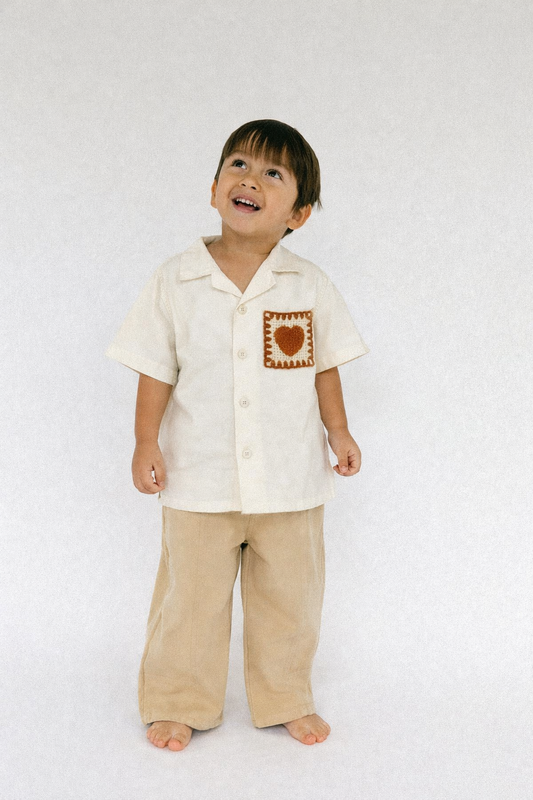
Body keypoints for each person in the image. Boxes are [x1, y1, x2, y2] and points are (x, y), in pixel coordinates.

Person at [105, 119, 370, 750]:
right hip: (199, 478)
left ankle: (286, 696)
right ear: (214, 187)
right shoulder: (175, 280)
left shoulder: (309, 285)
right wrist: (145, 441)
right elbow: (155, 368)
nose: (250, 180)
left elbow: (324, 366)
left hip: (290, 479)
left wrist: (339, 431)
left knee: (290, 600)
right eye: (239, 165)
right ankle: (177, 699)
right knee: (189, 600)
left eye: (273, 173)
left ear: (298, 214)